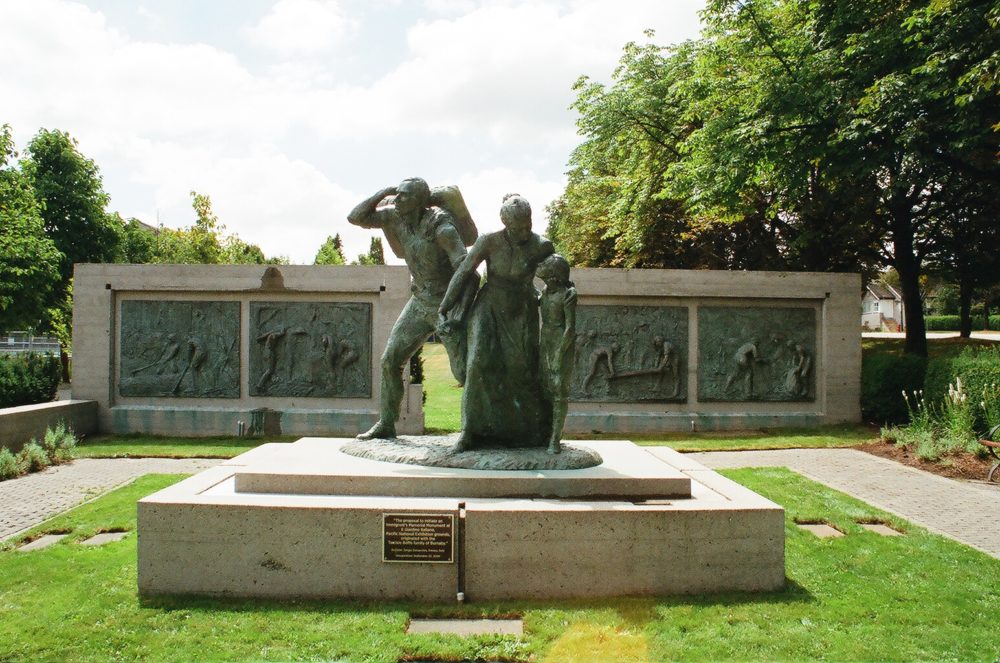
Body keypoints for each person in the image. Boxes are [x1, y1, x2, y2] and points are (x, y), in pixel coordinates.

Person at [347, 178, 473, 440]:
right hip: (419, 301)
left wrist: (458, 312)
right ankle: (386, 423)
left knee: (463, 372)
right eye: (397, 195)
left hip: (445, 304)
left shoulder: (442, 226)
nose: (396, 199)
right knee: (390, 361)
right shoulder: (394, 216)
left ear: (419, 201)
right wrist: (382, 191)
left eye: (403, 196)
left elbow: (467, 270)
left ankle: (474, 429)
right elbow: (355, 217)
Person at [438, 194, 554, 451]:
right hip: (488, 306)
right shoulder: (489, 241)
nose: (525, 231)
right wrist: (445, 305)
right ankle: (469, 432)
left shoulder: (543, 246)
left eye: (528, 224)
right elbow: (464, 271)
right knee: (477, 364)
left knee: (523, 369)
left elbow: (557, 275)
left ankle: (530, 432)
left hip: (522, 309)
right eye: (518, 226)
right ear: (505, 223)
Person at [536, 253, 577, 454]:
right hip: (546, 340)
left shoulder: (567, 295)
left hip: (561, 342)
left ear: (553, 273)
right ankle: (543, 433)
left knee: (559, 392)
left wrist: (559, 355)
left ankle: (555, 440)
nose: (539, 266)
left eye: (544, 265)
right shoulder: (544, 291)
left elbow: (571, 329)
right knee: (544, 389)